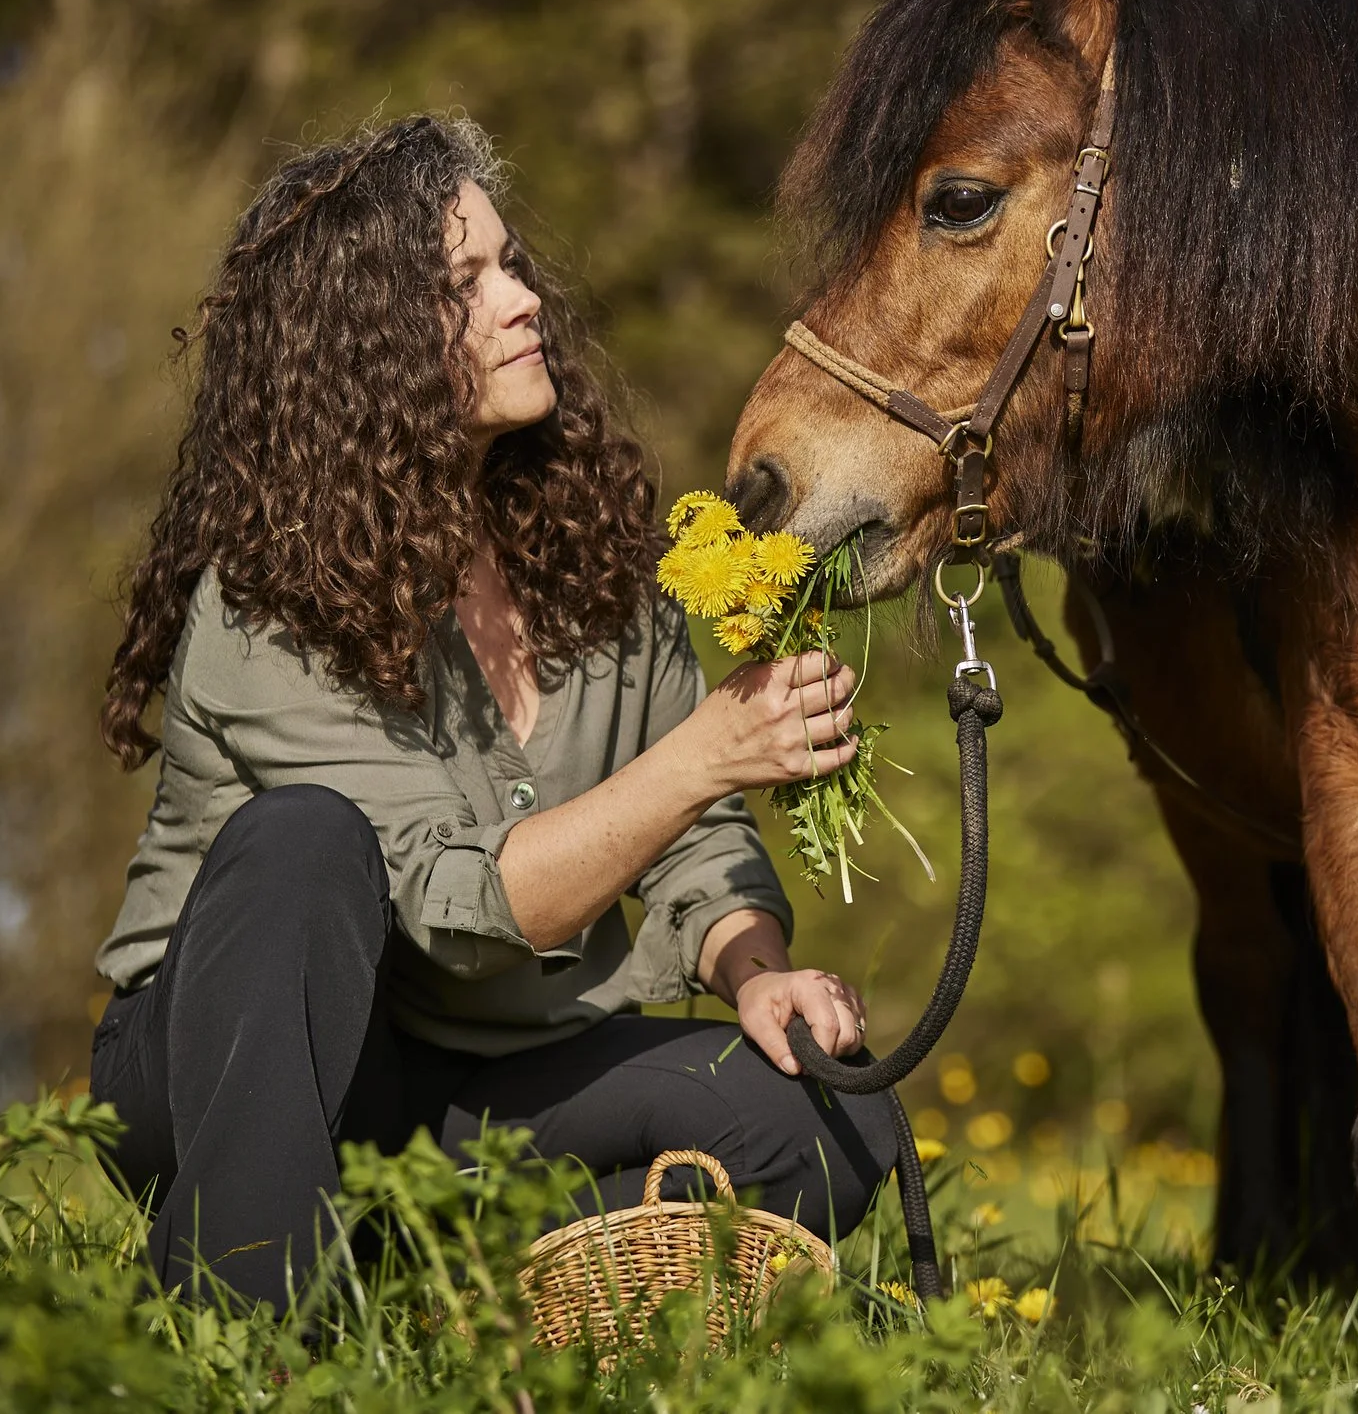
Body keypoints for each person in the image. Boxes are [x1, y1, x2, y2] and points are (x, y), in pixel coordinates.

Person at [89, 113, 895, 1310]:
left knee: (830, 1110)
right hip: (249, 1061)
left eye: (511, 263)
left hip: (481, 1075)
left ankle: (457, 1286)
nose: (522, 300)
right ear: (364, 347)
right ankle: (248, 1325)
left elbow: (697, 846)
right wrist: (705, 754)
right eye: (466, 281)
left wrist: (757, 971)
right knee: (301, 839)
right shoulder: (267, 598)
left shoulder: (594, 557)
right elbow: (459, 915)